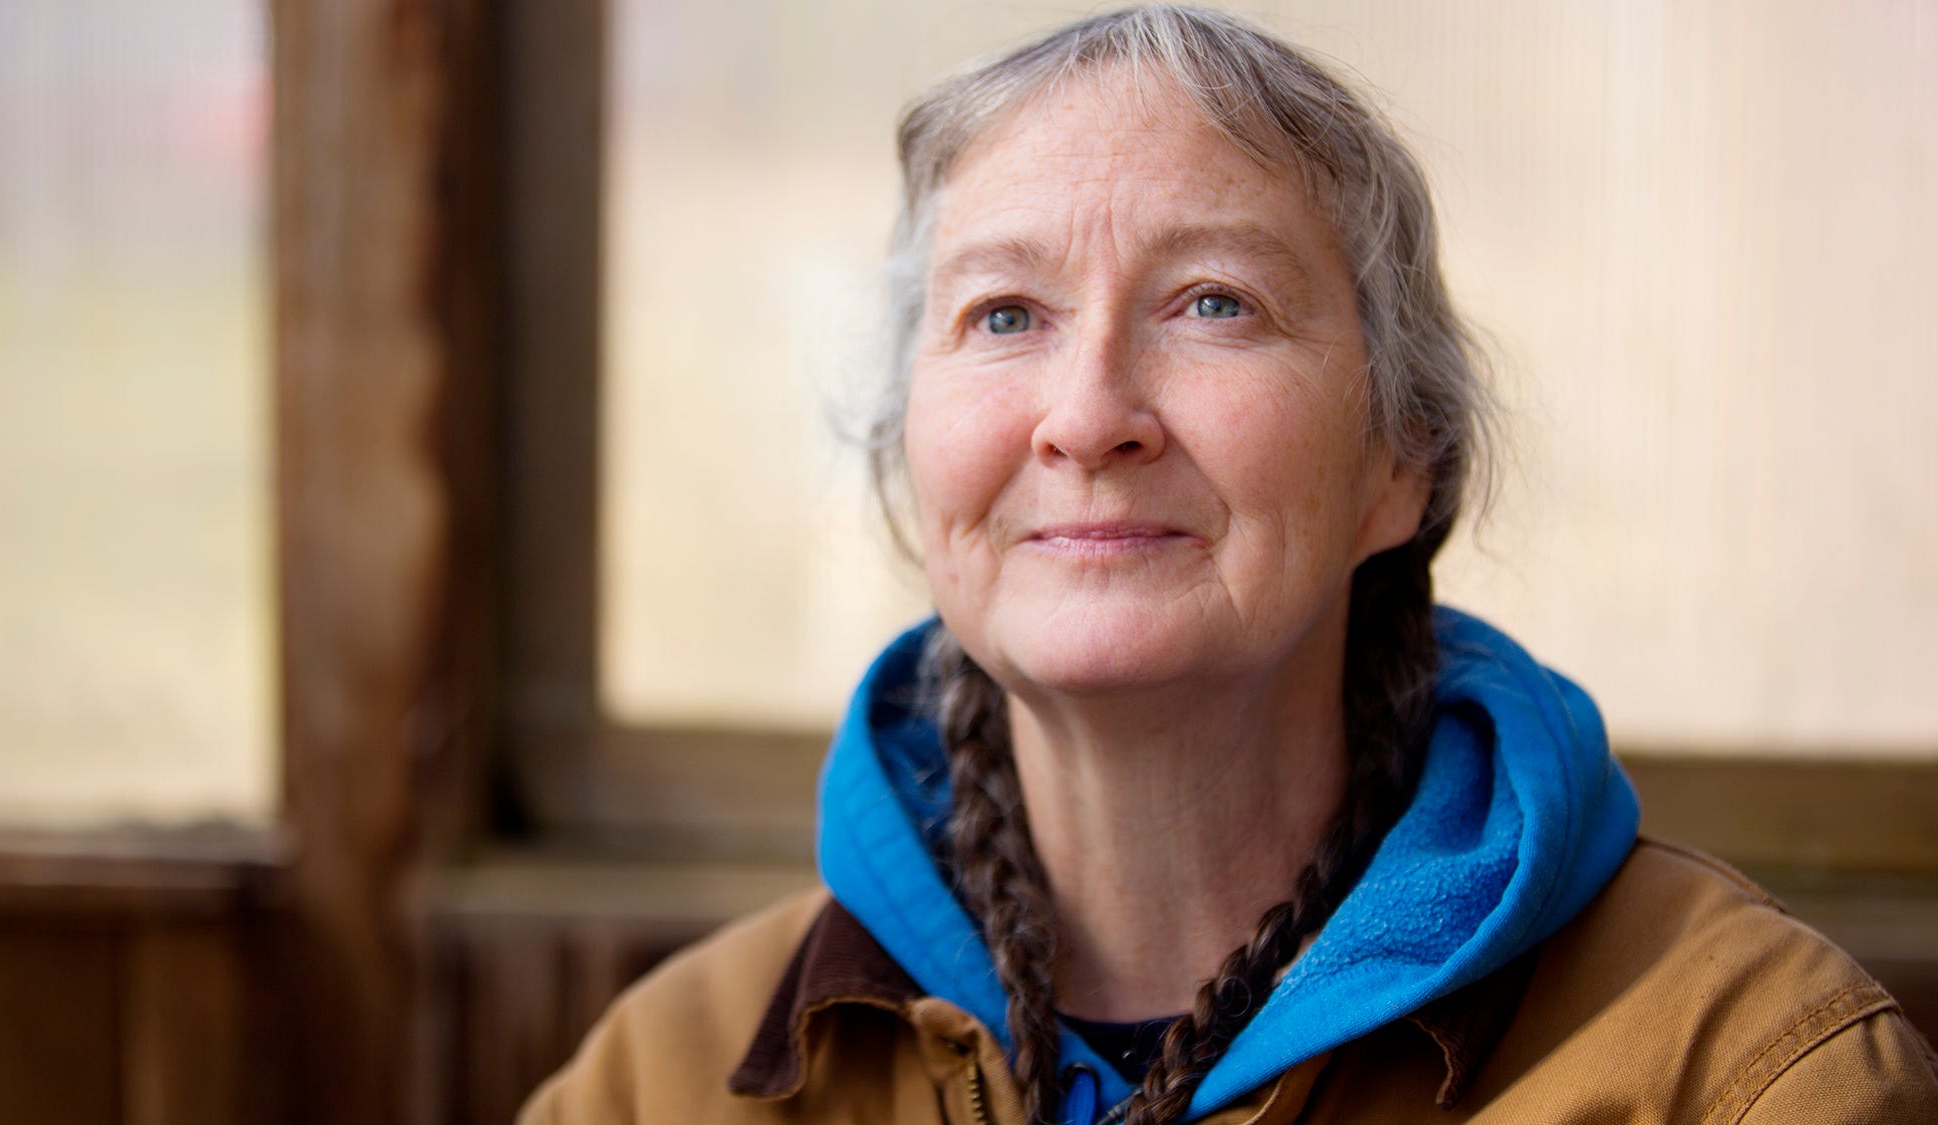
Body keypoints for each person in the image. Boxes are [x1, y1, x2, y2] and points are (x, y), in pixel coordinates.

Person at [522, 6, 1938, 1123]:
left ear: (1406, 458)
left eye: (1215, 302)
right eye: (1004, 313)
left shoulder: (1744, 1069)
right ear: (908, 455)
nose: (1086, 417)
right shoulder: (664, 1076)